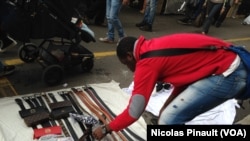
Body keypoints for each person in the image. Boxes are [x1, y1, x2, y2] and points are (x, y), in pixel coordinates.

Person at [92, 33, 248, 140]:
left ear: (129, 56)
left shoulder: (146, 64)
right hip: (231, 65)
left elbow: (134, 111)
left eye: (126, 64)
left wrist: (106, 129)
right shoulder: (152, 47)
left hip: (229, 74)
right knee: (167, 116)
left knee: (168, 121)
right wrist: (164, 108)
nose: (129, 69)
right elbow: (183, 82)